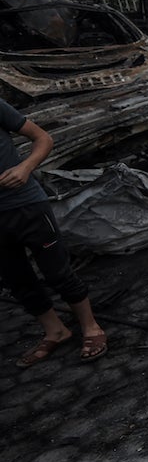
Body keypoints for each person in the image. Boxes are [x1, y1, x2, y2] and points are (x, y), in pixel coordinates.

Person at [0, 100, 106, 366]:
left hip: (25, 205)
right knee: (18, 280)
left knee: (57, 272)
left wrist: (25, 168)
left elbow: (43, 139)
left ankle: (91, 327)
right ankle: (56, 331)